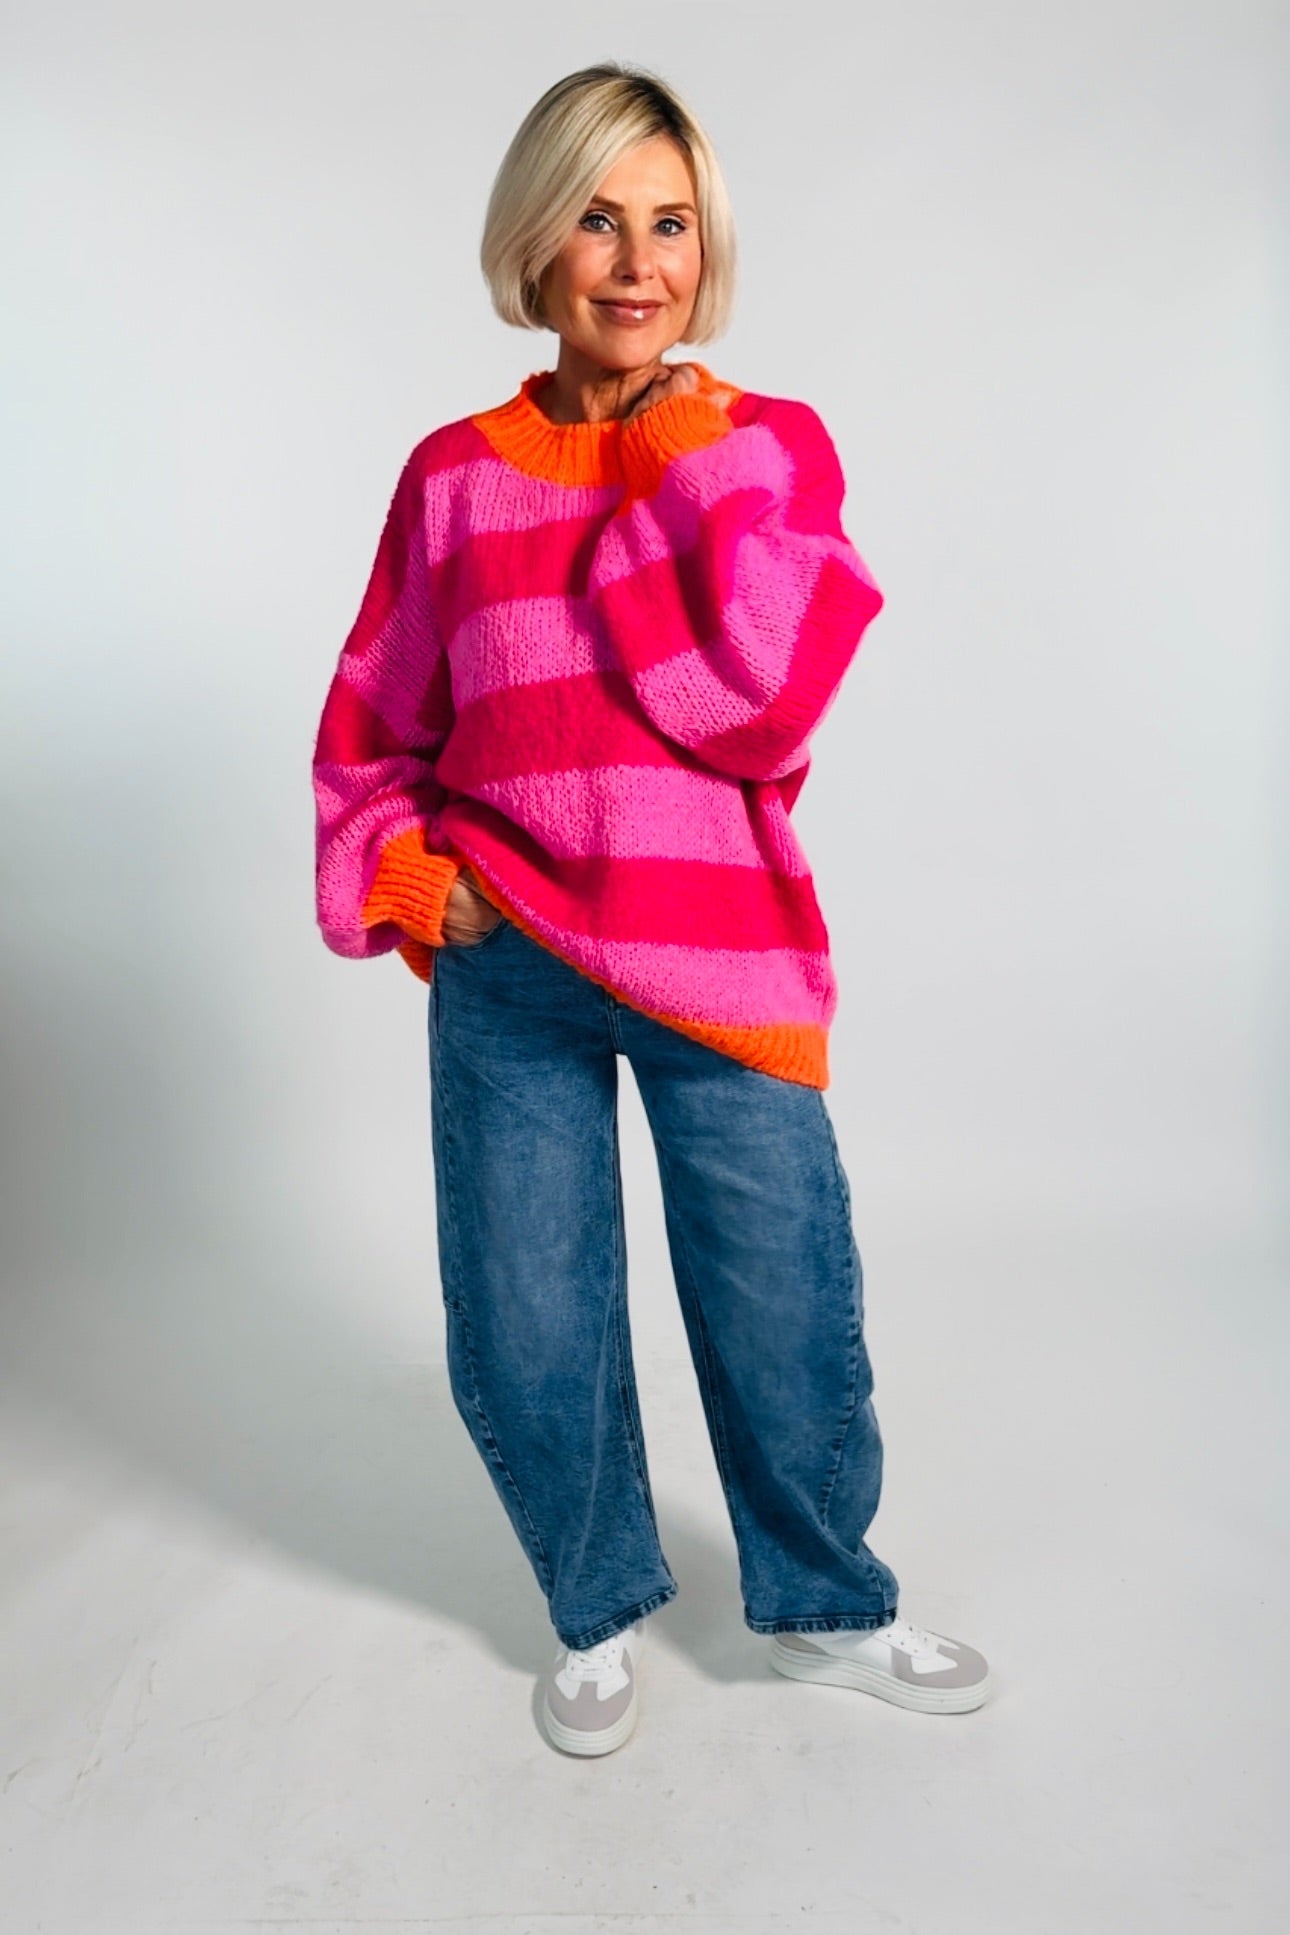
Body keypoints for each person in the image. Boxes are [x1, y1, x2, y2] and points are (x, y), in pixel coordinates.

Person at [311, 60, 992, 1755]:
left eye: (671, 224)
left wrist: (682, 466)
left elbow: (754, 703)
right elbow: (376, 722)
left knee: (780, 1298)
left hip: (718, 955)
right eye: (598, 221)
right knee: (527, 1314)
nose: (636, 264)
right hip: (512, 962)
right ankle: (594, 1605)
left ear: (707, 248)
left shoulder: (763, 449)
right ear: (536, 244)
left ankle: (827, 1606)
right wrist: (418, 880)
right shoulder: (451, 477)